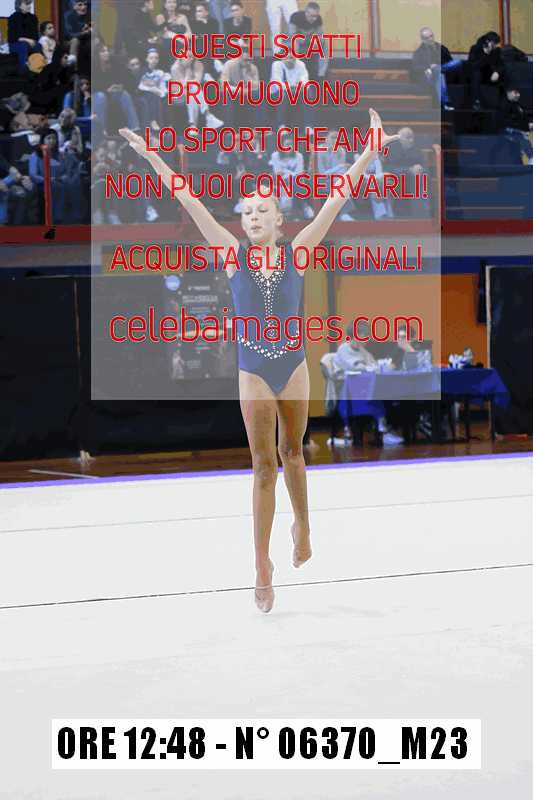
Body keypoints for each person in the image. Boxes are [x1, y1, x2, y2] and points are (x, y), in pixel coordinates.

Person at [119, 108, 399, 612]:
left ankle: (303, 525)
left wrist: (367, 152)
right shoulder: (231, 255)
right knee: (263, 466)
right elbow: (189, 199)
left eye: (261, 211)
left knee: (294, 451)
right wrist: (153, 157)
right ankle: (261, 563)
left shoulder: (299, 252)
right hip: (253, 369)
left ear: (279, 219)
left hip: (292, 365)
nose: (251, 217)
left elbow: (336, 199)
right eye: (246, 211)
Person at [411, 26, 460, 110]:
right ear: (423, 39)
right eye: (427, 38)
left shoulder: (441, 48)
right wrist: (429, 67)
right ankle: (446, 102)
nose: (430, 39)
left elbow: (449, 61)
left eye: (431, 36)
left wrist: (438, 66)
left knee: (456, 63)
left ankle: (444, 103)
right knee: (439, 73)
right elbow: (415, 67)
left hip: (443, 72)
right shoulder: (419, 52)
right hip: (429, 76)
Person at [467, 31, 505, 110]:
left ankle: (506, 102)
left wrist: (497, 72)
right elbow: (473, 66)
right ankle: (476, 102)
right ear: (488, 42)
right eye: (495, 43)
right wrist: (486, 54)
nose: (496, 45)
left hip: (490, 74)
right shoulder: (475, 49)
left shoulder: (497, 51)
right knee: (476, 73)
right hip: (478, 74)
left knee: (505, 74)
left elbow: (501, 64)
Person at [289, 1, 326, 80]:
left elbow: (320, 34)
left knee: (324, 43)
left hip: (309, 42)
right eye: (312, 16)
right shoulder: (295, 17)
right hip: (298, 41)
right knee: (294, 43)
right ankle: (295, 73)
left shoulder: (318, 19)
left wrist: (317, 40)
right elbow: (292, 35)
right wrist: (298, 43)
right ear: (306, 13)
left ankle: (321, 74)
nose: (314, 18)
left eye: (316, 16)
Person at [500, 87, 533, 165]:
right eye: (515, 93)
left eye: (518, 93)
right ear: (508, 93)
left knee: (524, 138)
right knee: (523, 138)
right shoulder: (505, 105)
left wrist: (529, 123)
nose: (518, 95)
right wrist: (524, 127)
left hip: (520, 131)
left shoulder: (517, 105)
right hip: (509, 131)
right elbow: (506, 122)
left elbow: (524, 118)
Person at [7, 0, 39, 68]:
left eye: (29, 4)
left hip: (30, 43)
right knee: (23, 46)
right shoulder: (13, 17)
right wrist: (27, 40)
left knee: (39, 46)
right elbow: (12, 37)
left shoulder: (33, 17)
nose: (29, 6)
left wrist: (32, 41)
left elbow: (35, 35)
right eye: (27, 4)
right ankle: (23, 70)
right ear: (20, 6)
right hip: (15, 44)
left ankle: (38, 69)